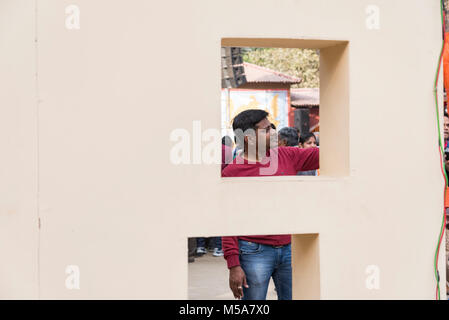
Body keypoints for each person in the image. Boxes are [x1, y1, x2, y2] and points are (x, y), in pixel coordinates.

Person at [221, 109, 319, 300]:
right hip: (252, 251)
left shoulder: (287, 155)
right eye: (266, 130)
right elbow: (227, 221)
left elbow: (329, 154)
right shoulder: (232, 173)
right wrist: (233, 264)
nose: (274, 132)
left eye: (272, 127)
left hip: (290, 248)